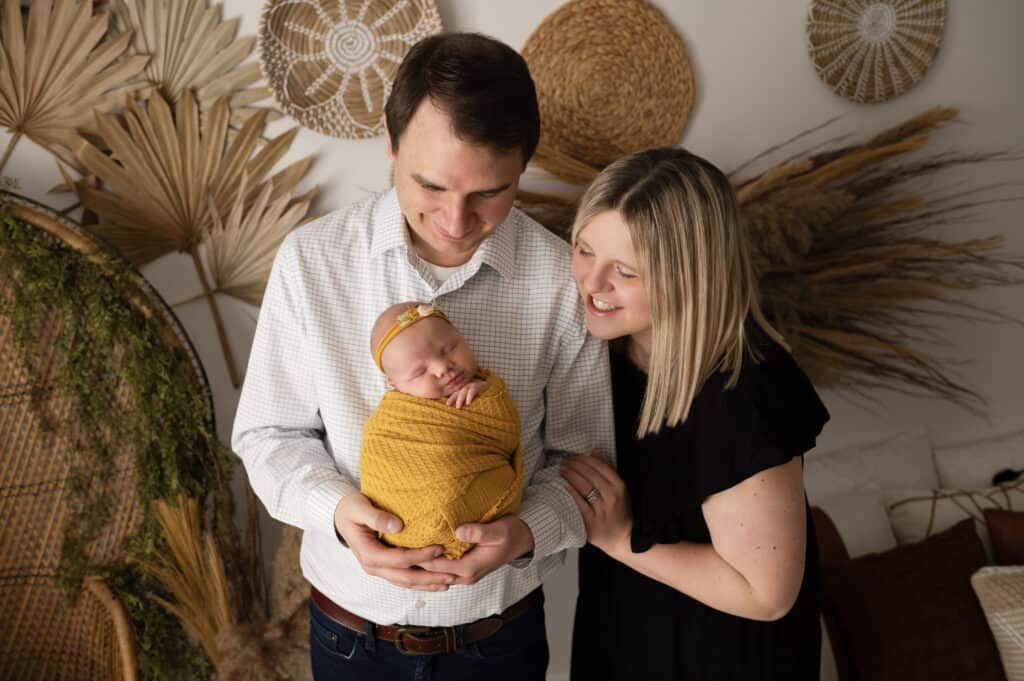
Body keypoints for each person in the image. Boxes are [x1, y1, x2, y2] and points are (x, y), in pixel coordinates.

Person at [231, 32, 614, 681]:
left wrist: (525, 534)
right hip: (350, 637)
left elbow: (587, 466)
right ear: (389, 137)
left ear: (524, 162)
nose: (456, 220)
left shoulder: (560, 279)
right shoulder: (312, 260)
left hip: (501, 639)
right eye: (430, 185)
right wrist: (337, 512)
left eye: (489, 193)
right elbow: (267, 434)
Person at [561, 147, 829, 681]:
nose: (592, 284)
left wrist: (619, 538)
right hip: (624, 631)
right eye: (585, 250)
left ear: (690, 275)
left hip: (724, 655)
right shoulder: (602, 354)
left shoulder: (745, 392)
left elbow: (767, 594)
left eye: (626, 271)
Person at [360, 301, 523, 560]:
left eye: (449, 349)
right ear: (395, 385)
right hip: (400, 529)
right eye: (419, 371)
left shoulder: (482, 390)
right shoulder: (393, 420)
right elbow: (378, 458)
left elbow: (506, 432)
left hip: (493, 539)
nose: (442, 368)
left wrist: (488, 396)